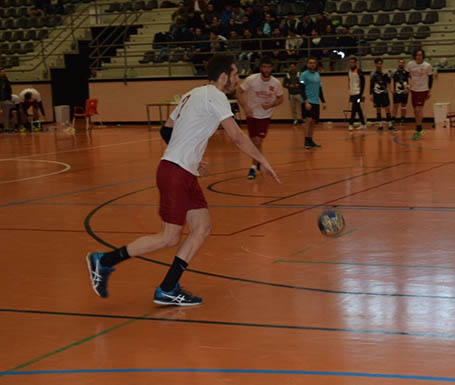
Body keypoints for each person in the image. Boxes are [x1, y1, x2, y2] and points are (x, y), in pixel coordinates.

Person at [86, 54, 281, 306]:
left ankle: (168, 288)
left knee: (202, 228)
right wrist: (262, 160)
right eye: (234, 75)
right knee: (168, 237)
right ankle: (103, 261)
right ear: (223, 76)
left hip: (183, 170)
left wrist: (189, 156)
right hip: (176, 172)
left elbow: (166, 129)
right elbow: (237, 137)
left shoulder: (192, 94)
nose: (237, 79)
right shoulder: (217, 96)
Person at [237, 56, 284, 180]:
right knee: (254, 141)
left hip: (265, 116)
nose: (266, 69)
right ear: (260, 67)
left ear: (272, 68)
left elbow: (281, 99)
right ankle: (258, 162)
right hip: (252, 114)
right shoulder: (252, 79)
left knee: (258, 141)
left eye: (269, 67)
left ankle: (253, 166)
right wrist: (245, 107)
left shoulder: (276, 83)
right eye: (264, 67)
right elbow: (239, 92)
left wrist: (271, 105)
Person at [406, 49, 433, 140]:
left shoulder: (427, 66)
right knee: (415, 110)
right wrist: (406, 84)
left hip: (423, 89)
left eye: (420, 55)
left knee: (418, 109)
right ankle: (418, 125)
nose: (419, 57)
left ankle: (419, 128)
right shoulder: (410, 64)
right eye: (417, 55)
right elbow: (406, 75)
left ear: (423, 56)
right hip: (413, 89)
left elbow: (430, 78)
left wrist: (429, 90)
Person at [300, 57, 326, 149]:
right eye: (310, 63)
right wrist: (306, 101)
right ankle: (306, 141)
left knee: (313, 121)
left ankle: (311, 140)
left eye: (314, 63)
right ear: (307, 64)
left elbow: (320, 89)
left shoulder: (317, 75)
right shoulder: (304, 75)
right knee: (308, 120)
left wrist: (323, 101)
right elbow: (301, 88)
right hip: (307, 102)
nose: (312, 64)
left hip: (316, 102)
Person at [369, 58, 395, 131]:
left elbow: (389, 81)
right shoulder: (373, 74)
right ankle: (380, 126)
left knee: (387, 109)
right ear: (375, 64)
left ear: (382, 64)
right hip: (376, 93)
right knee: (378, 109)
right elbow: (371, 84)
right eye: (377, 63)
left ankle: (390, 125)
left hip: (384, 93)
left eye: (380, 63)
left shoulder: (385, 72)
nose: (379, 65)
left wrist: (385, 75)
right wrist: (371, 94)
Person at [346, 56, 366, 131]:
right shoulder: (349, 72)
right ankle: (363, 124)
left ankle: (351, 124)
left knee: (354, 107)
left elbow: (363, 82)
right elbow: (350, 82)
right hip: (352, 93)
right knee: (357, 108)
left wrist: (361, 93)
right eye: (350, 62)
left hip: (358, 93)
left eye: (353, 62)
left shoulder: (359, 71)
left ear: (355, 63)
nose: (351, 64)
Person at [391, 58, 410, 126]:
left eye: (402, 62)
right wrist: (392, 89)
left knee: (403, 106)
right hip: (396, 91)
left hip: (404, 91)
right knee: (395, 105)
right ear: (398, 63)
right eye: (400, 62)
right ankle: (393, 119)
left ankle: (403, 119)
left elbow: (409, 80)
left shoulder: (406, 72)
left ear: (404, 64)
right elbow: (391, 80)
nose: (401, 64)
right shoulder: (394, 72)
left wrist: (408, 88)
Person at [0, 68, 13, 132]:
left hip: (5, 100)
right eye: (2, 72)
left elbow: (9, 90)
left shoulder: (7, 81)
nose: (3, 73)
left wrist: (9, 99)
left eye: (4, 72)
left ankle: (6, 128)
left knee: (6, 115)